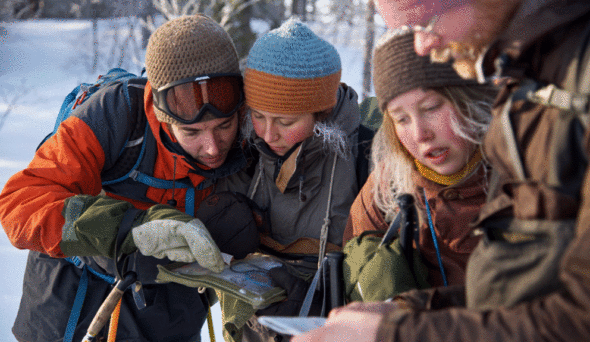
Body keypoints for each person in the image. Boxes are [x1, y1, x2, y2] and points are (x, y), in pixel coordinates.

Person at [292, 0, 590, 341]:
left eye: (429, 22)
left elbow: (576, 317)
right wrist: (409, 309)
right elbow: (509, 297)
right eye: (401, 118)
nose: (422, 45)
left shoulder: (562, 88)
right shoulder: (531, 91)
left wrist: (397, 332)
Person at [0, 14, 256, 342]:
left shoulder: (254, 131)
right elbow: (20, 205)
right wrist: (123, 230)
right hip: (75, 302)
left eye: (223, 126)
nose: (211, 148)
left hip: (171, 311)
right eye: (191, 131)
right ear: (163, 117)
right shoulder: (116, 114)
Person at [225, 18, 364, 342]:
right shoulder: (244, 151)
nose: (269, 134)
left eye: (286, 121)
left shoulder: (364, 157)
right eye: (257, 116)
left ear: (322, 113)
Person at [343, 27, 496, 290]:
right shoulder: (387, 189)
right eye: (401, 119)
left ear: (469, 100)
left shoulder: (524, 172)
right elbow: (349, 264)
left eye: (431, 108)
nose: (420, 133)